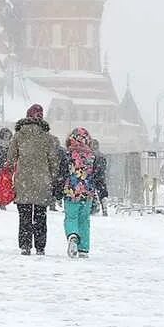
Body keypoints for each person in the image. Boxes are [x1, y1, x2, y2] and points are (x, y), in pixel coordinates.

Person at [8, 104, 60, 256]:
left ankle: (25, 245)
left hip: (23, 180)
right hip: (42, 181)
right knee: (40, 216)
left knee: (24, 215)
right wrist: (53, 176)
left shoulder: (18, 135)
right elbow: (53, 161)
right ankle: (40, 246)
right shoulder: (47, 137)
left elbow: (10, 159)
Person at [63, 127, 98, 258]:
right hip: (87, 192)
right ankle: (83, 248)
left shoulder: (68, 155)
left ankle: (72, 235)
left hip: (71, 190)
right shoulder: (92, 156)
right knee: (84, 220)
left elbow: (62, 173)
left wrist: (57, 188)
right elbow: (97, 175)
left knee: (71, 217)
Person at [92, 139, 109, 216]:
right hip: (101, 177)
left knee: (92, 192)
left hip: (92, 177)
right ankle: (104, 207)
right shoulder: (102, 155)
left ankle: (94, 207)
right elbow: (105, 166)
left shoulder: (91, 155)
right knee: (102, 193)